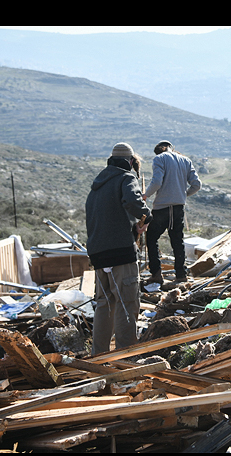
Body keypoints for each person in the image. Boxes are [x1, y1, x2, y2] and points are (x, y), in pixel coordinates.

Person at [85, 142, 152, 354]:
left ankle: (99, 358)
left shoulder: (98, 185)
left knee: (105, 306)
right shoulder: (126, 177)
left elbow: (108, 220)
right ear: (130, 162)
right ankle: (126, 360)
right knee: (126, 305)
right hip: (121, 255)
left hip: (99, 256)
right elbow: (133, 202)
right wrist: (146, 217)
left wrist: (134, 229)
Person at [143, 140, 202, 283]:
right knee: (177, 241)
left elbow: (157, 182)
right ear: (171, 148)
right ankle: (181, 275)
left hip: (162, 207)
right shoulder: (186, 160)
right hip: (178, 207)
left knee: (151, 238)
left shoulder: (159, 159)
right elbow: (197, 185)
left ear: (159, 151)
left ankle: (156, 274)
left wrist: (145, 195)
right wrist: (182, 194)